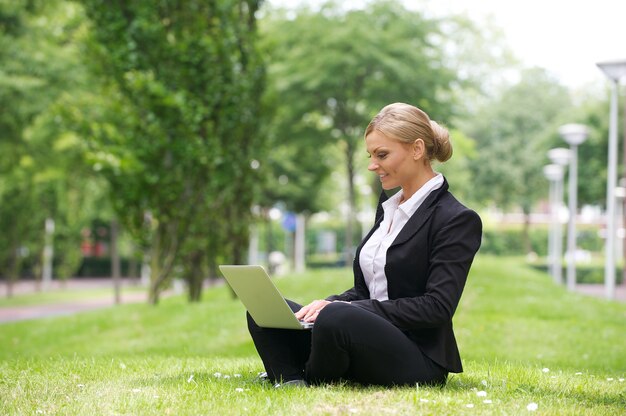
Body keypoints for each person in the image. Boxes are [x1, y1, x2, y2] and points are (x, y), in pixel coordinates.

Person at [247, 102, 482, 387]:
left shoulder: (456, 219)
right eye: (371, 155)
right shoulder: (389, 206)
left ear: (417, 150)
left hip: (417, 357)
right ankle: (290, 378)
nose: (372, 165)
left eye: (381, 155)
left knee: (336, 317)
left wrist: (347, 311)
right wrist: (327, 304)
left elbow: (436, 307)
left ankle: (306, 375)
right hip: (361, 337)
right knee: (266, 309)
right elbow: (366, 290)